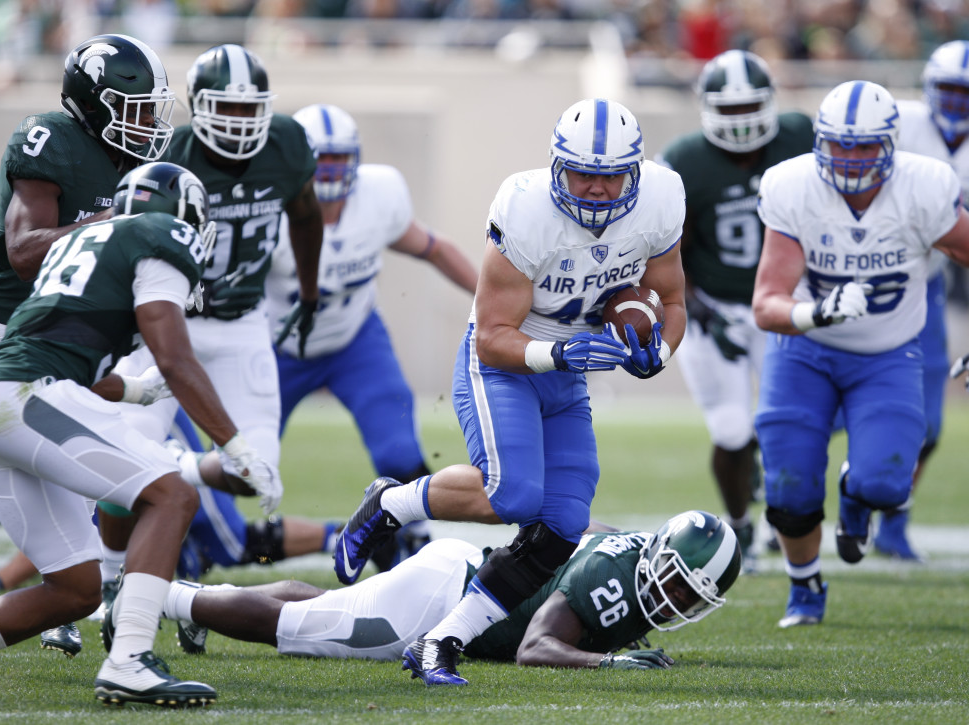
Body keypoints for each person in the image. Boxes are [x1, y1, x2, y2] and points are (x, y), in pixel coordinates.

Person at [334, 97, 688, 685]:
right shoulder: (526, 209)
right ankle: (391, 503)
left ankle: (442, 641)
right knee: (513, 495)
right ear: (557, 167)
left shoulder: (660, 198)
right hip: (507, 361)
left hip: (566, 373)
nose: (598, 190)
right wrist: (561, 351)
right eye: (584, 175)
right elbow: (491, 337)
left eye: (610, 177)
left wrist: (660, 353)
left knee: (562, 524)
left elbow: (670, 300)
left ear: (635, 171)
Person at [0, 161, 282, 707]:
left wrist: (137, 393)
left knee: (73, 590)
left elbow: (75, 359)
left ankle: (122, 653)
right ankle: (130, 660)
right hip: (27, 398)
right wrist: (235, 445)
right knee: (173, 494)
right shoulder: (164, 233)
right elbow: (176, 357)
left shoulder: (82, 242)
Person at [0, 33, 177, 658]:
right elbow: (25, 250)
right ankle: (129, 641)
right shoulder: (49, 140)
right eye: (134, 108)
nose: (146, 124)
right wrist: (111, 228)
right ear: (93, 104)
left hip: (45, 350)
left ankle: (77, 601)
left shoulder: (128, 163)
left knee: (72, 565)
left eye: (152, 109)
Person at [99, 43, 326, 594]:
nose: (240, 122)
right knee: (118, 467)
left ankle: (181, 464)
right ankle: (108, 579)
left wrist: (310, 290)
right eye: (226, 108)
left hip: (242, 320)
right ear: (197, 105)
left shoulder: (288, 144)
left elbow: (306, 214)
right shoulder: (167, 150)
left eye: (250, 110)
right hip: (165, 317)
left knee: (258, 476)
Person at [751, 80, 969, 628]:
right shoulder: (793, 186)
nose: (850, 158)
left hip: (888, 353)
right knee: (789, 484)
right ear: (820, 141)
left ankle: (855, 493)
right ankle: (805, 588)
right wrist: (815, 314)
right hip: (804, 350)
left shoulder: (924, 187)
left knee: (886, 483)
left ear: (890, 145)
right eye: (840, 144)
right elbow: (767, 303)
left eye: (865, 146)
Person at [266, 103, 478, 565]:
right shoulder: (269, 209)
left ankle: (415, 546)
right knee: (246, 468)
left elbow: (434, 248)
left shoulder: (379, 198)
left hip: (354, 340)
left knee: (400, 453)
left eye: (338, 159)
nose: (328, 170)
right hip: (274, 349)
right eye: (319, 159)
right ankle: (209, 540)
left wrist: (488, 296)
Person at [153, 511, 740, 670]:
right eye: (673, 581)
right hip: (440, 602)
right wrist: (609, 662)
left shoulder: (630, 546)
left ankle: (206, 599)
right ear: (658, 554)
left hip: (452, 573)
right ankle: (166, 598)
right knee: (303, 631)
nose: (672, 600)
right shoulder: (612, 579)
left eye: (689, 597)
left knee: (325, 608)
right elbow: (537, 646)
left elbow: (587, 530)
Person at [657, 49, 813, 568]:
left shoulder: (799, 138)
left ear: (771, 102)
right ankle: (741, 525)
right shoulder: (683, 161)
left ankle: (780, 513)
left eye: (750, 106)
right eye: (728, 110)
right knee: (731, 430)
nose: (741, 121)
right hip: (715, 310)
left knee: (786, 423)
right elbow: (665, 252)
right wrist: (698, 310)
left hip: (781, 304)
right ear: (705, 108)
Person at [878, 40, 969, 560]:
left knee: (929, 424)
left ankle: (894, 516)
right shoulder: (900, 123)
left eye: (965, 92)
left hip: (926, 283)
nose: (956, 102)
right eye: (949, 90)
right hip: (860, 272)